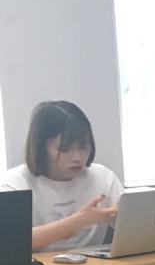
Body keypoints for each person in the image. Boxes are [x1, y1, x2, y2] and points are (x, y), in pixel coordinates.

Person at [0, 101, 123, 251]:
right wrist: (79, 220)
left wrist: (123, 217)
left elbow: (134, 227)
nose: (77, 157)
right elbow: (12, 241)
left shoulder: (102, 176)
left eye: (83, 147)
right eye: (64, 149)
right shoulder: (14, 183)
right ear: (41, 147)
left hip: (94, 264)